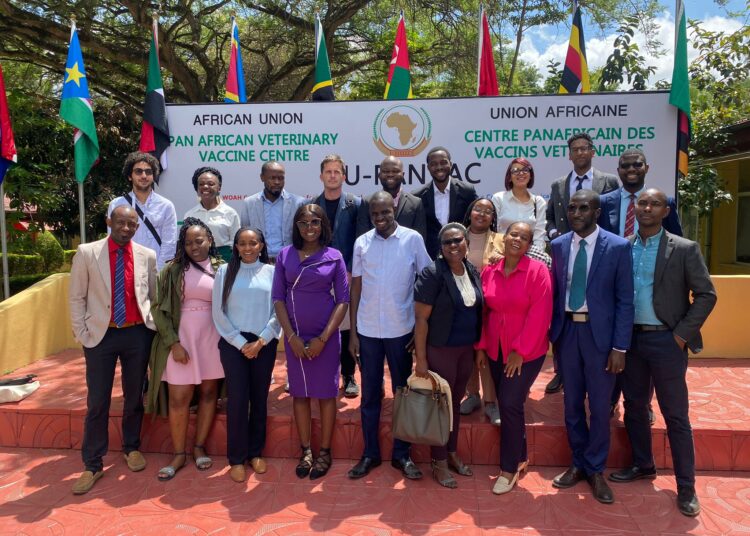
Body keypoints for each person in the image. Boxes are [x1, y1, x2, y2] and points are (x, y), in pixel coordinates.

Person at [608, 188, 717, 517]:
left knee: (675, 415)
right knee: (635, 407)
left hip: (667, 341)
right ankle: (643, 464)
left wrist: (681, 336)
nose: (647, 208)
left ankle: (686, 486)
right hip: (631, 342)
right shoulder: (622, 246)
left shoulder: (684, 248)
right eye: (643, 203)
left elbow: (706, 294)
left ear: (665, 211)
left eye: (655, 204)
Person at [549, 189, 634, 504]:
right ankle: (578, 463)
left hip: (601, 338)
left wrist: (620, 347)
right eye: (572, 207)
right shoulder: (558, 245)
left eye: (584, 207)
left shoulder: (618, 246)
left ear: (597, 213)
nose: (576, 213)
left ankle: (596, 469)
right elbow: (555, 291)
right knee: (571, 404)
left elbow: (625, 300)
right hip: (568, 334)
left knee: (599, 407)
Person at [68, 206, 157, 495]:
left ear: (137, 227)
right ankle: (93, 463)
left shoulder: (147, 255)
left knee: (134, 396)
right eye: (121, 222)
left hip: (137, 334)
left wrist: (152, 330)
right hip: (100, 335)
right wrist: (82, 333)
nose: (126, 228)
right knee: (97, 401)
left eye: (132, 224)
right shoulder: (87, 252)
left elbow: (152, 296)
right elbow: (76, 297)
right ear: (109, 221)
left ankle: (131, 447)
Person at [347, 191, 432, 480]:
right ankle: (370, 453)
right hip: (368, 330)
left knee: (402, 394)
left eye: (385, 212)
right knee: (370, 395)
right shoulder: (362, 242)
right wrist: (353, 333)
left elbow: (426, 280)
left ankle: (402, 454)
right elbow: (356, 288)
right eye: (375, 214)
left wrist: (419, 327)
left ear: (393, 210)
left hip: (401, 330)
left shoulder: (412, 239)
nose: (380, 218)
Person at [598, 148, 683, 419]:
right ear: (618, 171)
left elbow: (676, 243)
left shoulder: (663, 201)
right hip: (611, 287)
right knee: (613, 346)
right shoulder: (604, 202)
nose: (631, 169)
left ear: (646, 168)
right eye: (625, 166)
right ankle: (610, 398)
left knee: (643, 354)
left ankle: (643, 403)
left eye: (637, 164)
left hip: (648, 289)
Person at [272, 204, 349, 480]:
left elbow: (343, 300)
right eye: (303, 223)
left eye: (315, 222)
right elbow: (278, 299)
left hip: (324, 337)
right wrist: (290, 337)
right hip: (295, 337)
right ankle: (306, 450)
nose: (309, 228)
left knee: (326, 394)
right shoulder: (284, 255)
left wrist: (323, 338)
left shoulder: (334, 256)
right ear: (296, 226)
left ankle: (325, 452)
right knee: (301, 393)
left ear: (323, 225)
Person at [476, 221, 553, 494]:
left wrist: (520, 351)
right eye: (513, 234)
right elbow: (483, 311)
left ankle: (508, 470)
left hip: (526, 352)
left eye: (524, 237)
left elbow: (540, 314)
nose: (517, 239)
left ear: (530, 245)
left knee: (509, 403)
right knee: (510, 404)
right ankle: (520, 457)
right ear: (504, 238)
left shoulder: (538, 271)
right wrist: (481, 347)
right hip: (496, 348)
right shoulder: (491, 270)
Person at [147, 218, 224, 481]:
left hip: (212, 340)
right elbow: (158, 309)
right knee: (179, 398)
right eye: (188, 242)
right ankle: (179, 454)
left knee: (209, 393)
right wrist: (173, 344)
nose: (194, 246)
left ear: (209, 240)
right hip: (181, 342)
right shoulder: (172, 270)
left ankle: (199, 446)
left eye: (199, 240)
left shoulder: (222, 268)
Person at [544, 133, 619, 395]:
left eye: (584, 148)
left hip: (596, 252)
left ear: (592, 151)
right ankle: (562, 372)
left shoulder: (608, 181)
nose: (580, 153)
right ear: (569, 154)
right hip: (566, 252)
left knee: (595, 306)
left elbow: (611, 219)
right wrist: (554, 234)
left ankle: (598, 378)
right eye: (575, 149)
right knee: (563, 311)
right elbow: (550, 217)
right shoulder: (558, 184)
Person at [414, 223, 483, 488]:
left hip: (465, 351)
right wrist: (421, 359)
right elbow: (421, 319)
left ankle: (451, 452)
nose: (453, 246)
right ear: (441, 247)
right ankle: (439, 461)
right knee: (440, 408)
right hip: (441, 351)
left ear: (467, 242)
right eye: (447, 242)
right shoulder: (433, 273)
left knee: (454, 405)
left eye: (458, 240)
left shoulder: (471, 270)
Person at [213, 228, 281, 483]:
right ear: (236, 246)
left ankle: (255, 453)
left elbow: (278, 311)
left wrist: (261, 341)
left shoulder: (272, 272)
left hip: (264, 343)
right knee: (238, 401)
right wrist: (242, 344)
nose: (248, 248)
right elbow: (218, 313)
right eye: (242, 243)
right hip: (234, 344)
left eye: (253, 243)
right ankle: (236, 458)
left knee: (259, 398)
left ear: (262, 245)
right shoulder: (224, 272)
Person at [309, 154, 361, 398]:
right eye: (328, 172)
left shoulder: (355, 204)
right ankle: (320, 373)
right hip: (318, 276)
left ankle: (348, 375)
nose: (332, 176)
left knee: (346, 327)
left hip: (346, 275)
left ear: (344, 176)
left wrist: (350, 269)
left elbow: (360, 240)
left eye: (336, 172)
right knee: (319, 324)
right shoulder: (312, 205)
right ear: (321, 176)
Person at [458, 198, 504, 424]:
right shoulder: (457, 236)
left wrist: (502, 259)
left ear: (493, 218)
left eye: (488, 211)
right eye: (478, 209)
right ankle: (472, 395)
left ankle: (491, 402)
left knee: (486, 353)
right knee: (467, 352)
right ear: (470, 212)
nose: (482, 214)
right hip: (462, 306)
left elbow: (512, 266)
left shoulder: (501, 240)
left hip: (490, 307)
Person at [108, 151, 178, 270]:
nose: (144, 176)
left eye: (148, 172)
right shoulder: (116, 204)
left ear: (153, 176)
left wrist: (158, 273)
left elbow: (169, 245)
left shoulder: (166, 206)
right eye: (138, 171)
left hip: (156, 270)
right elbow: (112, 240)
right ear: (130, 176)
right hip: (126, 269)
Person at [413, 146, 478, 259]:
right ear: (428, 168)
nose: (439, 167)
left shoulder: (467, 191)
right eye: (434, 164)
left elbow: (474, 222)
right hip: (431, 258)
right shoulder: (418, 196)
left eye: (443, 162)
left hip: (460, 255)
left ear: (450, 164)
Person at [239, 161, 305, 262]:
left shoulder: (298, 203)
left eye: (281, 178)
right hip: (259, 261)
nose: (277, 182)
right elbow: (245, 234)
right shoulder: (249, 203)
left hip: (289, 260)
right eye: (272, 178)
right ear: (262, 177)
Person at [357, 155, 427, 240]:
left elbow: (419, 239)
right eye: (386, 171)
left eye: (395, 171)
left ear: (403, 175)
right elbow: (362, 239)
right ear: (379, 175)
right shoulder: (367, 202)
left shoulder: (415, 203)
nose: (390, 174)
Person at [183, 166, 241, 262]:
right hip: (197, 262)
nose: (205, 187)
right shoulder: (190, 215)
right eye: (201, 184)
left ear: (219, 188)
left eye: (210, 184)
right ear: (197, 188)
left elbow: (236, 243)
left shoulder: (230, 213)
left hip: (224, 262)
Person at [490, 158, 547, 250]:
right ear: (509, 177)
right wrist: (499, 252)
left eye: (525, 170)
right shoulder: (498, 198)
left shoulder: (538, 202)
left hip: (529, 253)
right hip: (501, 251)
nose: (521, 173)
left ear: (530, 175)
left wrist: (535, 255)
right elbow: (493, 231)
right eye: (515, 170)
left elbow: (539, 235)